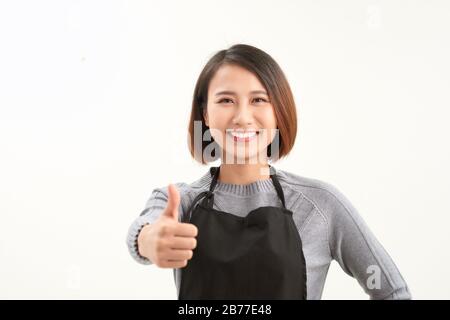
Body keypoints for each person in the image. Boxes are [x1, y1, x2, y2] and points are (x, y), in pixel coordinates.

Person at [126, 44, 411, 300]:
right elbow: (144, 231)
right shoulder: (182, 201)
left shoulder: (320, 205)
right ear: (205, 113)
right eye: (226, 100)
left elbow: (393, 292)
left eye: (258, 100)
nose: (242, 117)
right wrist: (149, 240)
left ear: (278, 111)